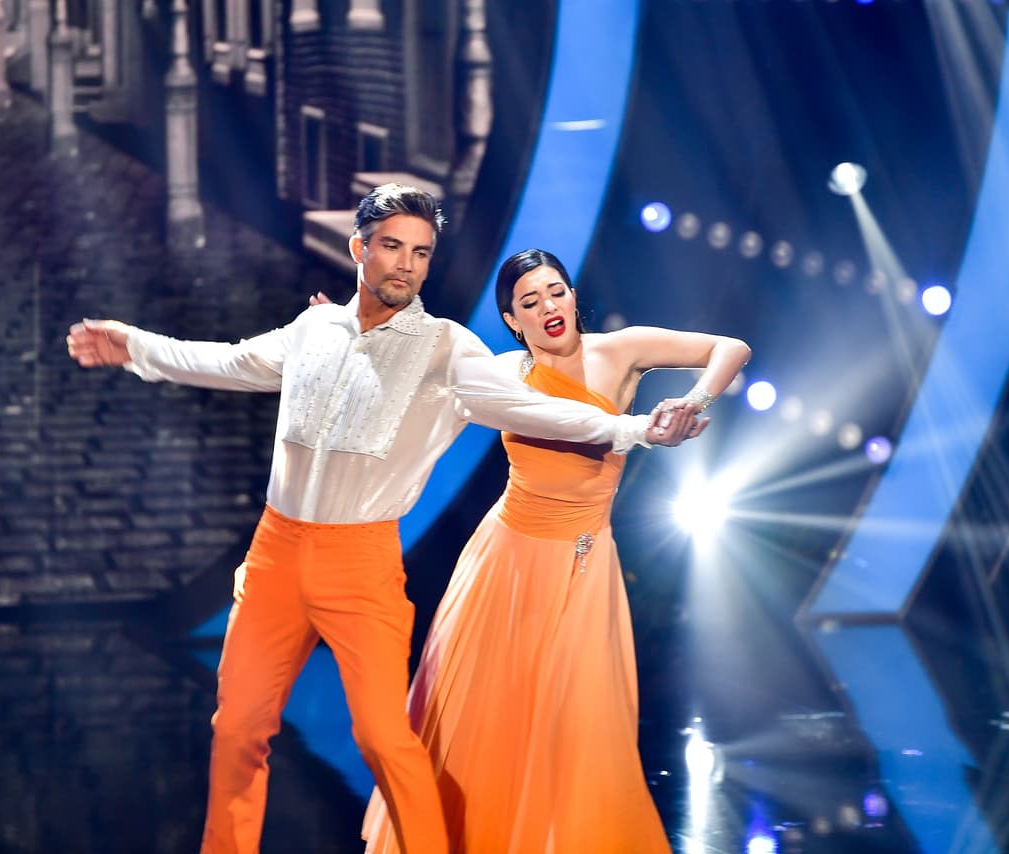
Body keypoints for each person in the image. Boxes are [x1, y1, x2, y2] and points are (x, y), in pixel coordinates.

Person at [64, 186, 703, 854]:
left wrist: (633, 429)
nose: (406, 264)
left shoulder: (448, 349)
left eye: (421, 253)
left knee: (382, 738)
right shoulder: (313, 330)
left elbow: (536, 410)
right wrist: (134, 345)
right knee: (238, 729)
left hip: (361, 564)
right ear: (358, 248)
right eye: (393, 246)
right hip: (275, 553)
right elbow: (230, 361)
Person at [361, 248, 751, 853]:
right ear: (512, 320)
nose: (548, 306)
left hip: (582, 563)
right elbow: (417, 387)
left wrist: (692, 402)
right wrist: (352, 338)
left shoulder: (622, 350)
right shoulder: (504, 372)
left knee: (580, 727)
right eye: (530, 301)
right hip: (504, 564)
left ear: (572, 295)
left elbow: (732, 347)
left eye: (556, 291)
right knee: (484, 724)